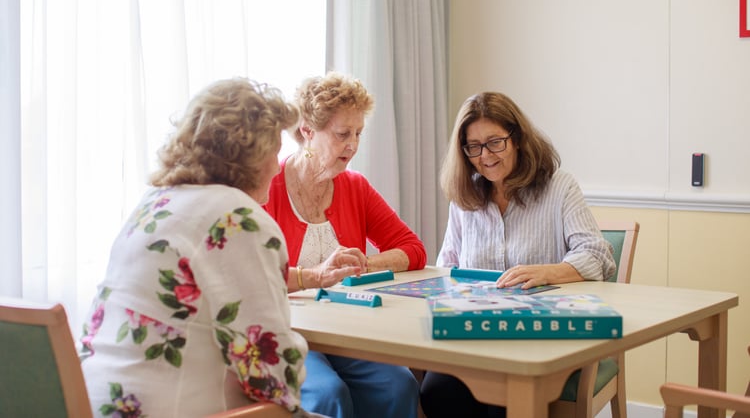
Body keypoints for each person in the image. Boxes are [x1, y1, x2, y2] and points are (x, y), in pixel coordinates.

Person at [79, 78, 361, 418]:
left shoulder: (154, 204)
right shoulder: (239, 220)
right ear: (251, 156)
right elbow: (276, 379)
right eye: (273, 152)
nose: (276, 167)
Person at [419, 91, 616, 418]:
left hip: (541, 336)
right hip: (476, 336)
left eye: (495, 142)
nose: (486, 156)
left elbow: (598, 255)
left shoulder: (559, 187)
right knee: (435, 391)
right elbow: (447, 267)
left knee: (503, 396)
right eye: (474, 147)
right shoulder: (465, 199)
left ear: (518, 138)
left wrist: (548, 272)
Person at [263, 71, 427, 418]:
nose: (352, 144)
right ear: (307, 130)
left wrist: (366, 265)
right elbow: (253, 276)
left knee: (400, 384)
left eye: (358, 134)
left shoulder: (355, 186)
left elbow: (413, 248)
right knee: (329, 394)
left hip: (345, 331)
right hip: (285, 331)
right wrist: (313, 274)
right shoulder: (267, 187)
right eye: (342, 134)